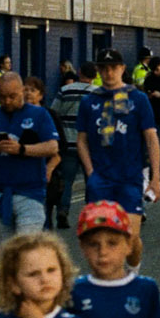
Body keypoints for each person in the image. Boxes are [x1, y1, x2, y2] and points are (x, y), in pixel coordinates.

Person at [77, 50, 160, 253]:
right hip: (101, 179)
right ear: (98, 71)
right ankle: (112, 282)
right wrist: (90, 173)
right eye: (104, 68)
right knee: (103, 241)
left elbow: (151, 137)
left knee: (130, 240)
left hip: (129, 178)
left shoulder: (138, 99)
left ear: (122, 69)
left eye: (113, 67)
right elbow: (82, 140)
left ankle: (132, 271)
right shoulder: (89, 101)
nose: (109, 72)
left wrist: (155, 177)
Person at [0, 73, 60, 237]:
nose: (7, 101)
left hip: (30, 194)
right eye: (3, 97)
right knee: (7, 255)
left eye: (12, 96)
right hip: (0, 196)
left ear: (22, 91)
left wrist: (21, 149)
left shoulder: (39, 115)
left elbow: (52, 147)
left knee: (25, 250)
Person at [47, 64, 98, 230]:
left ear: (79, 72)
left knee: (67, 181)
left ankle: (63, 211)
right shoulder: (97, 93)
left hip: (68, 142)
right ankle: (91, 214)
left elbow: (53, 112)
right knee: (91, 179)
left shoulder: (65, 90)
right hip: (89, 145)